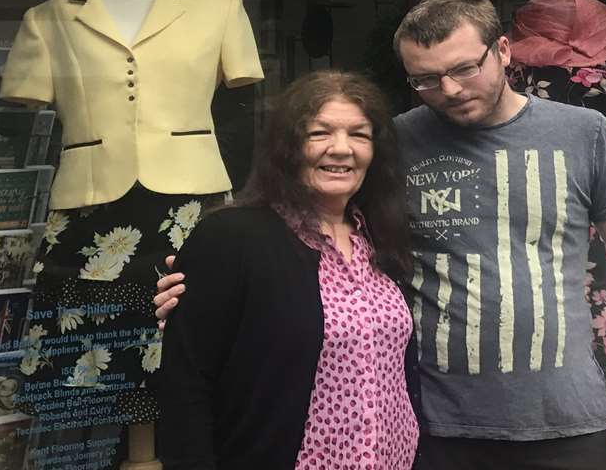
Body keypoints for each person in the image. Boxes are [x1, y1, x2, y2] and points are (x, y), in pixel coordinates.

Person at [157, 0, 606, 470]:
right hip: (437, 429)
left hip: (570, 419)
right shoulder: (394, 142)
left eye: (463, 69)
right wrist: (204, 289)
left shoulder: (584, 134)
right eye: (425, 79)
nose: (448, 90)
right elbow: (311, 225)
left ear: (503, 50)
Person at [154, 70, 418, 470]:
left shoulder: (380, 236)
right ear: (287, 146)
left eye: (359, 135)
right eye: (319, 133)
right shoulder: (233, 236)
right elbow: (187, 382)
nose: (341, 149)